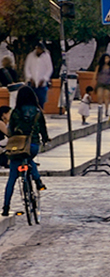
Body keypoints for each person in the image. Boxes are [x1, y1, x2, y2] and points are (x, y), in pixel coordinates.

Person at [1, 85, 49, 215]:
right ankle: (37, 180)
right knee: (28, 158)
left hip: (17, 146)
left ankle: (5, 207)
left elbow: (11, 130)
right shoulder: (38, 112)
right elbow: (43, 129)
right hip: (32, 145)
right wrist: (45, 139)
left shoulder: (16, 112)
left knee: (12, 178)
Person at [23, 43, 54, 109]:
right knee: (30, 101)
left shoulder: (46, 56)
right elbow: (27, 68)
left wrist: (44, 79)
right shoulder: (30, 56)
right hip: (31, 84)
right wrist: (30, 78)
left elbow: (50, 69)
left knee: (41, 102)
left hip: (42, 84)